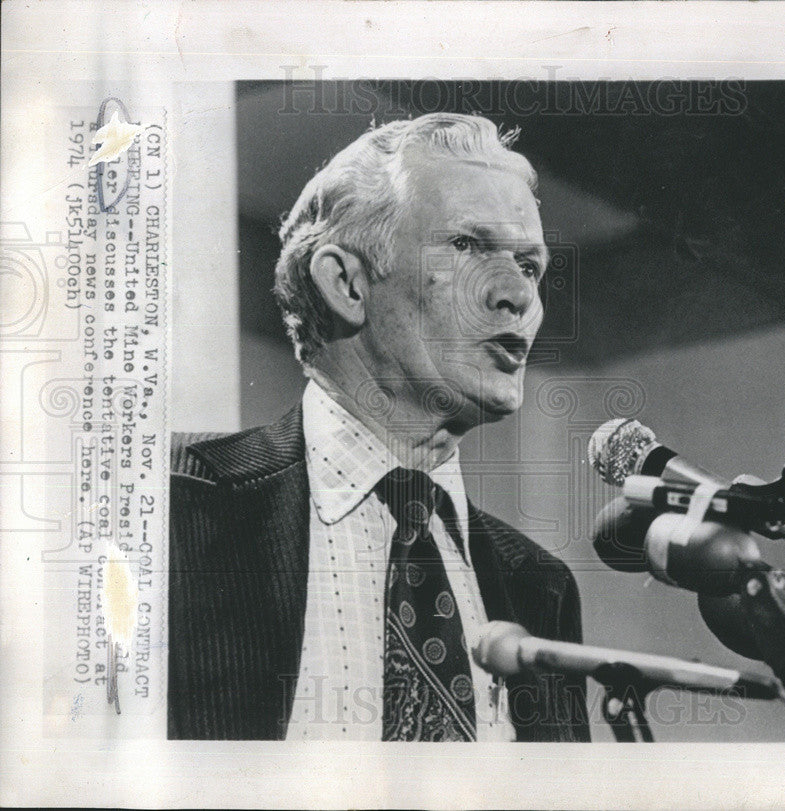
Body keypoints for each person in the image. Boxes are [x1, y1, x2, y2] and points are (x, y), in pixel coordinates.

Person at [168, 113, 591, 742]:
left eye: (530, 266)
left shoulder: (540, 587)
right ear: (346, 283)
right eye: (468, 246)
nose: (518, 297)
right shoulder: (170, 502)